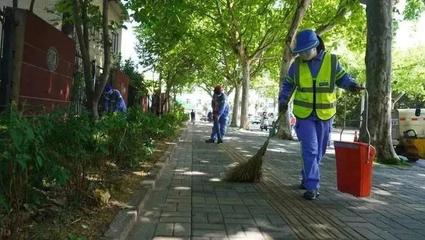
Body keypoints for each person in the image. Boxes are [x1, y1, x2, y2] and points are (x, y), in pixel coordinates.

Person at [278, 29, 364, 200]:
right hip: (304, 115)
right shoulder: (296, 66)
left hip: (325, 115)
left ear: (315, 46)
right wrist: (283, 101)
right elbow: (288, 85)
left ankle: (306, 176)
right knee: (310, 149)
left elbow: (343, 79)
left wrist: (352, 85)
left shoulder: (332, 62)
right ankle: (312, 186)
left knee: (319, 152)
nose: (302, 54)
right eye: (299, 52)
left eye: (305, 51)